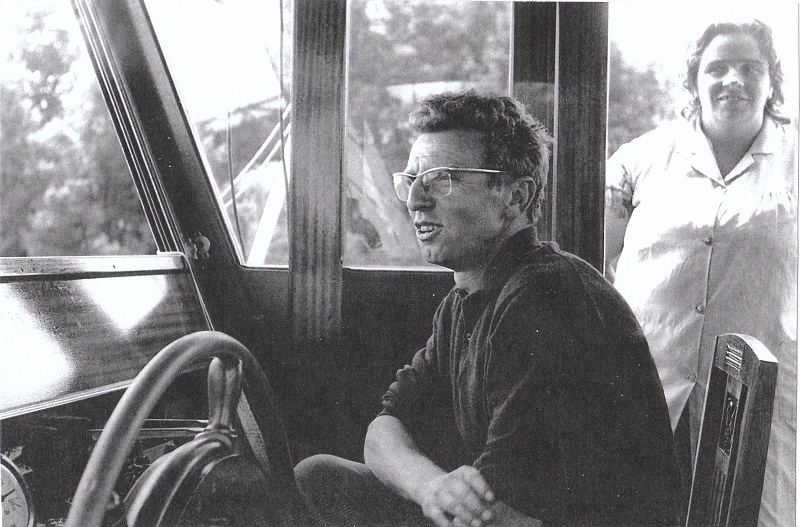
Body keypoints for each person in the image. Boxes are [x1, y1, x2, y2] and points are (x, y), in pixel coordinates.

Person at [294, 90, 682, 526]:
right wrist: (429, 486)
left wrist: (437, 492)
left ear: (515, 197)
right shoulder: (465, 300)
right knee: (320, 476)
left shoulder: (545, 299)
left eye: (442, 178)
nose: (415, 199)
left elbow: (494, 509)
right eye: (412, 179)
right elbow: (385, 427)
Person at [605, 19, 797, 526]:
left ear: (772, 80)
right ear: (694, 80)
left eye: (750, 68)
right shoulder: (642, 157)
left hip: (760, 396)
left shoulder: (795, 161)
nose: (733, 79)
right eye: (717, 68)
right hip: (648, 382)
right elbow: (590, 258)